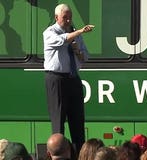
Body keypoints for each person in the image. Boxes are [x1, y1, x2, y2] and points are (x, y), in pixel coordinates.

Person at [43, 3, 94, 152]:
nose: (68, 21)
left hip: (73, 78)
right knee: (58, 121)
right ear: (56, 17)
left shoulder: (74, 33)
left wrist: (77, 51)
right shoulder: (49, 32)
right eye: (65, 18)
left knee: (78, 120)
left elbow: (85, 57)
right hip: (56, 79)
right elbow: (62, 40)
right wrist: (79, 32)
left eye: (70, 18)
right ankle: (59, 153)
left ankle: (80, 153)